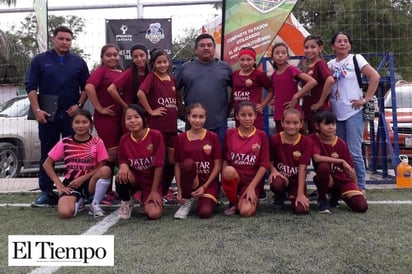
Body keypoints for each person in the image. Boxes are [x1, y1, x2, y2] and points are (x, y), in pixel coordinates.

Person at [25, 25, 90, 207]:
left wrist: (78, 106)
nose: (64, 42)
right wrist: (37, 110)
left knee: (76, 154)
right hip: (48, 116)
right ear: (53, 39)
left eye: (68, 39)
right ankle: (46, 191)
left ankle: (77, 190)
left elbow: (87, 88)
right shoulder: (39, 61)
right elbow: (30, 87)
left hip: (71, 117)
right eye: (61, 38)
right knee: (48, 153)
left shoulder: (78, 62)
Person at [327, 31, 380, 192]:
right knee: (340, 151)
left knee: (354, 151)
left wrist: (365, 99)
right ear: (333, 46)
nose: (342, 43)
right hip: (336, 113)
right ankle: (345, 184)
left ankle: (361, 186)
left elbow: (375, 77)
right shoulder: (330, 65)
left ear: (350, 45)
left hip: (353, 111)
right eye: (339, 41)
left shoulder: (356, 59)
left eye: (345, 41)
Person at [42, 109, 112, 219]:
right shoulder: (65, 142)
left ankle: (95, 204)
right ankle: (79, 201)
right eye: (77, 122)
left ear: (90, 124)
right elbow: (47, 164)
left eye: (85, 122)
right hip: (71, 183)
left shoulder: (97, 142)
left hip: (90, 182)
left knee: (106, 170)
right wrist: (59, 185)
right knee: (65, 213)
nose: (81, 126)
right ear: (72, 124)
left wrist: (83, 178)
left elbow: (101, 166)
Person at [137, 49, 182, 204]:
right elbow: (140, 93)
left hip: (171, 127)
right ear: (153, 64)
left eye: (165, 62)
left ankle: (165, 190)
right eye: (159, 62)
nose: (162, 65)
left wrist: (182, 114)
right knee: (159, 160)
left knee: (172, 159)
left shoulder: (172, 78)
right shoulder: (151, 77)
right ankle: (154, 190)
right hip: (158, 128)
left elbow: (176, 100)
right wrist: (150, 111)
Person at [176, 33, 232, 145]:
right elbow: (175, 90)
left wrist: (229, 109)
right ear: (196, 49)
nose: (206, 48)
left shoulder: (225, 68)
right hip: (193, 123)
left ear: (214, 48)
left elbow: (236, 90)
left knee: (218, 156)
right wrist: (181, 110)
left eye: (209, 45)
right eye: (202, 45)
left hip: (219, 123)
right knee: (193, 157)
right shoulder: (185, 68)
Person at [309, 110, 368, 213]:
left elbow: (351, 169)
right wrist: (340, 161)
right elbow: (317, 158)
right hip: (327, 178)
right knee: (323, 167)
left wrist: (357, 187)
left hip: (343, 179)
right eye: (327, 124)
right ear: (317, 126)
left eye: (333, 124)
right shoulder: (313, 139)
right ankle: (323, 199)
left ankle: (336, 194)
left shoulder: (341, 143)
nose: (331, 127)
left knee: (361, 206)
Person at [221, 101, 270, 217]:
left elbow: (264, 165)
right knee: (228, 171)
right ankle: (233, 202)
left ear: (255, 116)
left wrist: (252, 187)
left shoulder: (261, 135)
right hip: (236, 177)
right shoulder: (230, 133)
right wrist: (224, 182)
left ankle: (242, 200)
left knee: (245, 211)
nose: (247, 118)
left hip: (252, 180)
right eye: (243, 115)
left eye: (250, 115)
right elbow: (225, 159)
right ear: (237, 116)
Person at [173, 103, 222, 219]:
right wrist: (180, 189)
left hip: (208, 183)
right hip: (190, 183)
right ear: (188, 117)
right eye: (194, 116)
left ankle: (208, 199)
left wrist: (205, 187)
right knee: (188, 164)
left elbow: (217, 165)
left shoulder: (212, 136)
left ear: (205, 118)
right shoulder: (181, 138)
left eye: (201, 117)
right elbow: (177, 164)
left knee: (205, 213)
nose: (197, 120)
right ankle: (187, 200)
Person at [116, 104, 164, 220]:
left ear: (144, 119)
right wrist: (123, 166)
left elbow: (159, 164)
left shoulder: (155, 135)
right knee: (121, 175)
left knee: (154, 214)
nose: (132, 121)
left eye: (136, 117)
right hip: (134, 178)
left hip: (151, 181)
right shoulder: (124, 139)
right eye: (128, 118)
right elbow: (122, 159)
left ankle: (145, 199)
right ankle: (127, 201)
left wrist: (154, 191)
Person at [268, 109, 312, 215]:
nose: (291, 126)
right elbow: (267, 160)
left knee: (301, 210)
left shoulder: (307, 141)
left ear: (301, 124)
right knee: (276, 183)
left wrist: (300, 194)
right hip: (281, 177)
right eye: (287, 122)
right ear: (282, 123)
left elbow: (302, 169)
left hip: (297, 180)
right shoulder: (275, 139)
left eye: (295, 123)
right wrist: (273, 170)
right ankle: (279, 196)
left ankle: (295, 194)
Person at [270, 42, 317, 133]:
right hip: (279, 113)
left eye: (283, 53)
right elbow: (275, 91)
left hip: (293, 112)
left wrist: (296, 96)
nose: (280, 55)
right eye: (277, 53)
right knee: (281, 141)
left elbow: (312, 81)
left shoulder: (291, 69)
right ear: (272, 57)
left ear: (288, 56)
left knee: (297, 140)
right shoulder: (274, 74)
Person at [107, 43, 149, 132]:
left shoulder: (151, 73)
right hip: (131, 118)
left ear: (147, 56)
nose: (139, 59)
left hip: (147, 116)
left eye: (142, 55)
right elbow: (111, 89)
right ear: (132, 59)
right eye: (135, 57)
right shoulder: (129, 73)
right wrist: (125, 106)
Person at [231, 47, 273, 130]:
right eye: (242, 60)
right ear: (238, 60)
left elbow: (271, 91)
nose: (245, 63)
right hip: (239, 115)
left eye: (249, 60)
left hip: (254, 116)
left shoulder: (259, 74)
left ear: (254, 60)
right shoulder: (234, 74)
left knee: (255, 138)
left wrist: (262, 105)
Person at [302, 35, 334, 133]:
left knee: (320, 141)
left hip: (319, 111)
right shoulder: (309, 66)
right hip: (309, 110)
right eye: (306, 47)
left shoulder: (320, 64)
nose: (309, 50)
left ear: (320, 48)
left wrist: (320, 102)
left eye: (312, 47)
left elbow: (330, 80)